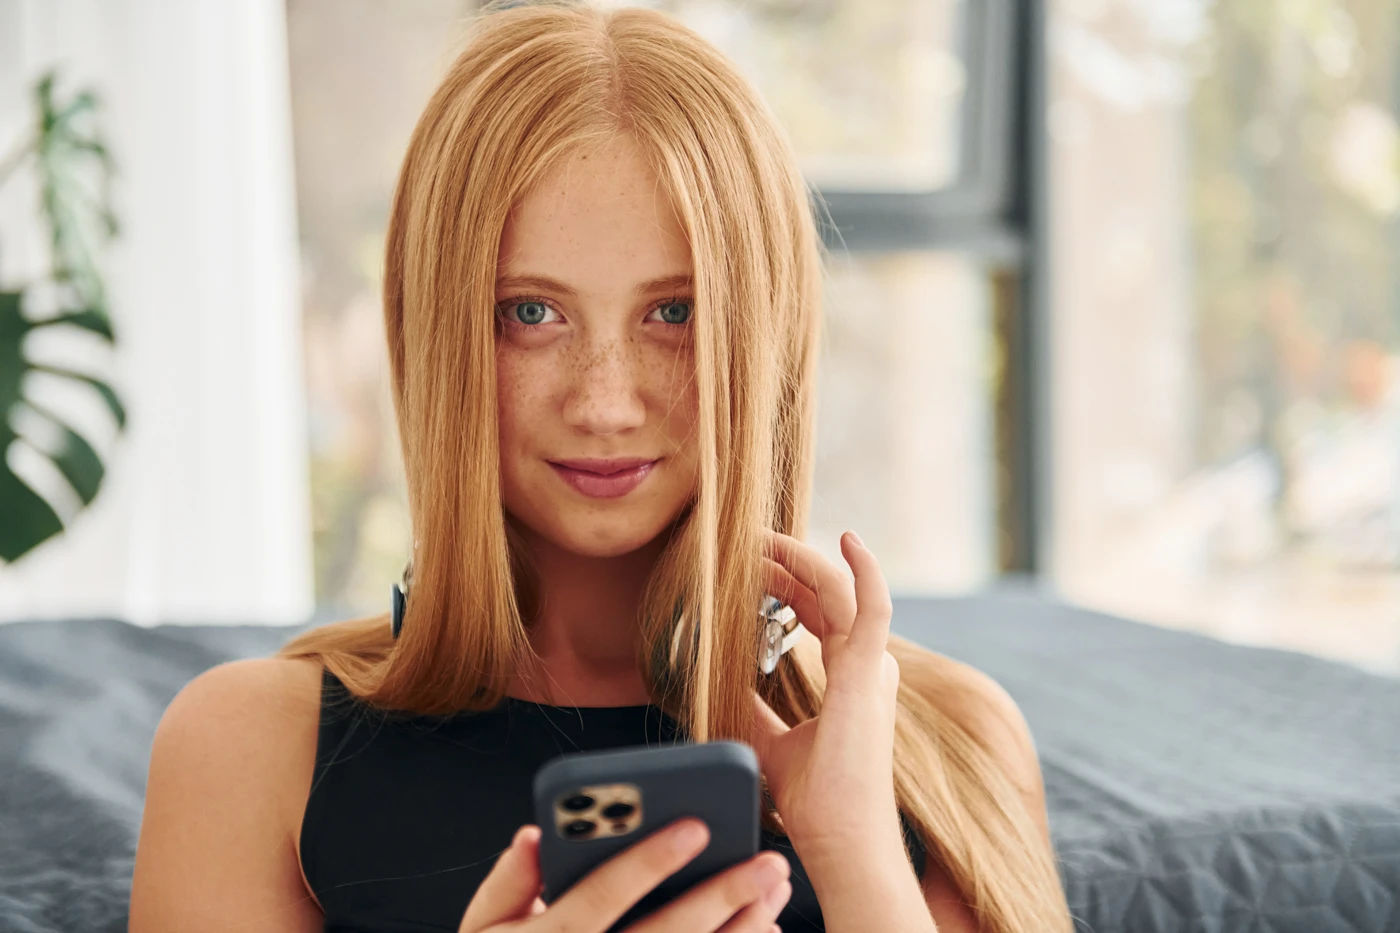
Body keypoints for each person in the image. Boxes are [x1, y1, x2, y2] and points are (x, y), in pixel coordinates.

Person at [128, 2, 1073, 931]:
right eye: (531, 313)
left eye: (675, 313)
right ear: (437, 335)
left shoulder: (949, 741)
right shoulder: (253, 747)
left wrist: (854, 849)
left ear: (766, 337)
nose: (607, 402)